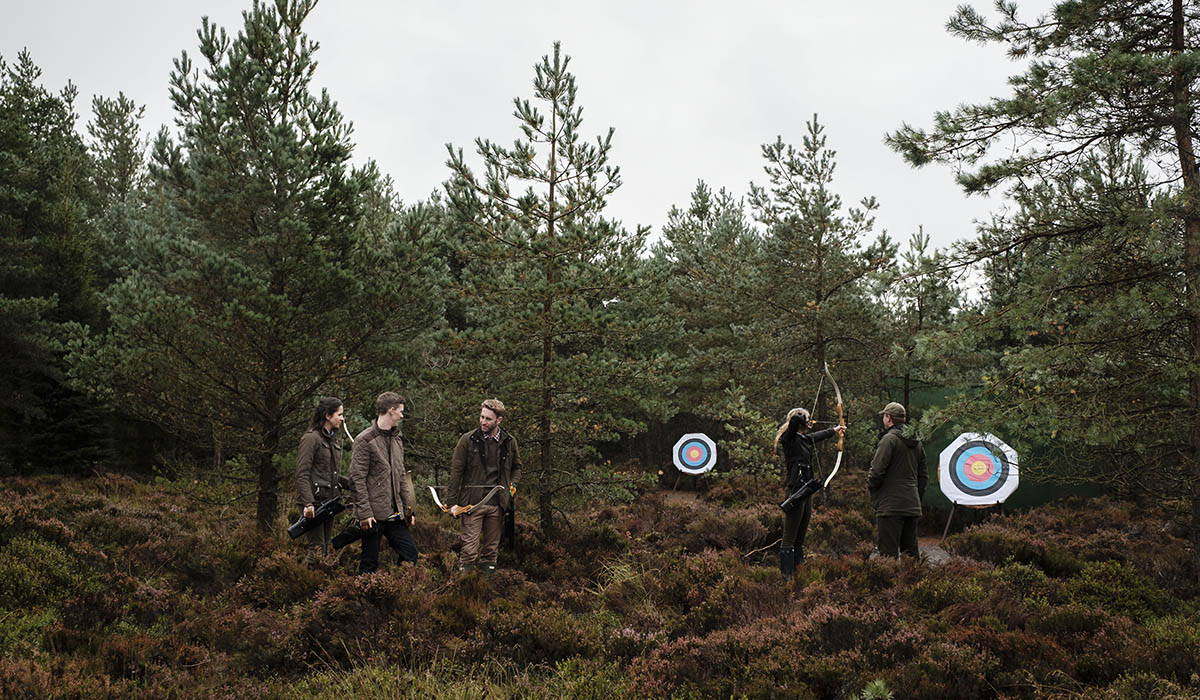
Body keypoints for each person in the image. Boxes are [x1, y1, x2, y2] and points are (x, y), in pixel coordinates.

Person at [447, 398, 521, 574]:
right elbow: (456, 473)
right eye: (481, 417)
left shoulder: (509, 442)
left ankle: (484, 591)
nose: (483, 421)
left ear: (498, 420)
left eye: (488, 419)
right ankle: (463, 591)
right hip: (472, 504)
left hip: (497, 504)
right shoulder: (467, 440)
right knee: (469, 552)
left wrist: (513, 485)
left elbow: (517, 467)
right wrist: (451, 504)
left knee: (490, 553)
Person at [349, 391, 418, 574]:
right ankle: (364, 599)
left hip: (395, 514)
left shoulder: (397, 440)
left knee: (410, 555)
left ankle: (395, 593)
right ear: (390, 410)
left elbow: (401, 477)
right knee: (369, 564)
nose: (402, 416)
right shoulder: (364, 440)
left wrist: (408, 509)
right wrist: (364, 514)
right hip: (372, 515)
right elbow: (357, 479)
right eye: (400, 411)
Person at [774, 407, 844, 575]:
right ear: (800, 421)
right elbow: (793, 425)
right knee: (789, 537)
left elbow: (818, 436)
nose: (809, 422)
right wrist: (802, 418)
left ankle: (798, 575)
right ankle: (787, 579)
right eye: (806, 420)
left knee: (800, 536)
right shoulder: (788, 438)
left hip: (806, 490)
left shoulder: (803, 439)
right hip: (796, 491)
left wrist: (836, 430)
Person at [867, 402, 927, 558]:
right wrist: (915, 497)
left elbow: (876, 472)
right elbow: (923, 476)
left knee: (888, 554)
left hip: (890, 506)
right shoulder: (918, 442)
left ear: (888, 418)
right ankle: (914, 582)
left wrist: (875, 494)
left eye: (884, 416)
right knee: (910, 553)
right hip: (911, 504)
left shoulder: (889, 440)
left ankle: (890, 583)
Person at [295, 396, 349, 563]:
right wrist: (308, 504)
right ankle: (307, 584)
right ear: (327, 415)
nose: (342, 418)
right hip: (314, 504)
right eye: (339, 414)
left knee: (324, 550)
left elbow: (330, 476)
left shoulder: (332, 440)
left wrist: (354, 484)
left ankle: (316, 583)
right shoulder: (311, 439)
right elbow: (302, 473)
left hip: (328, 502)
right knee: (317, 550)